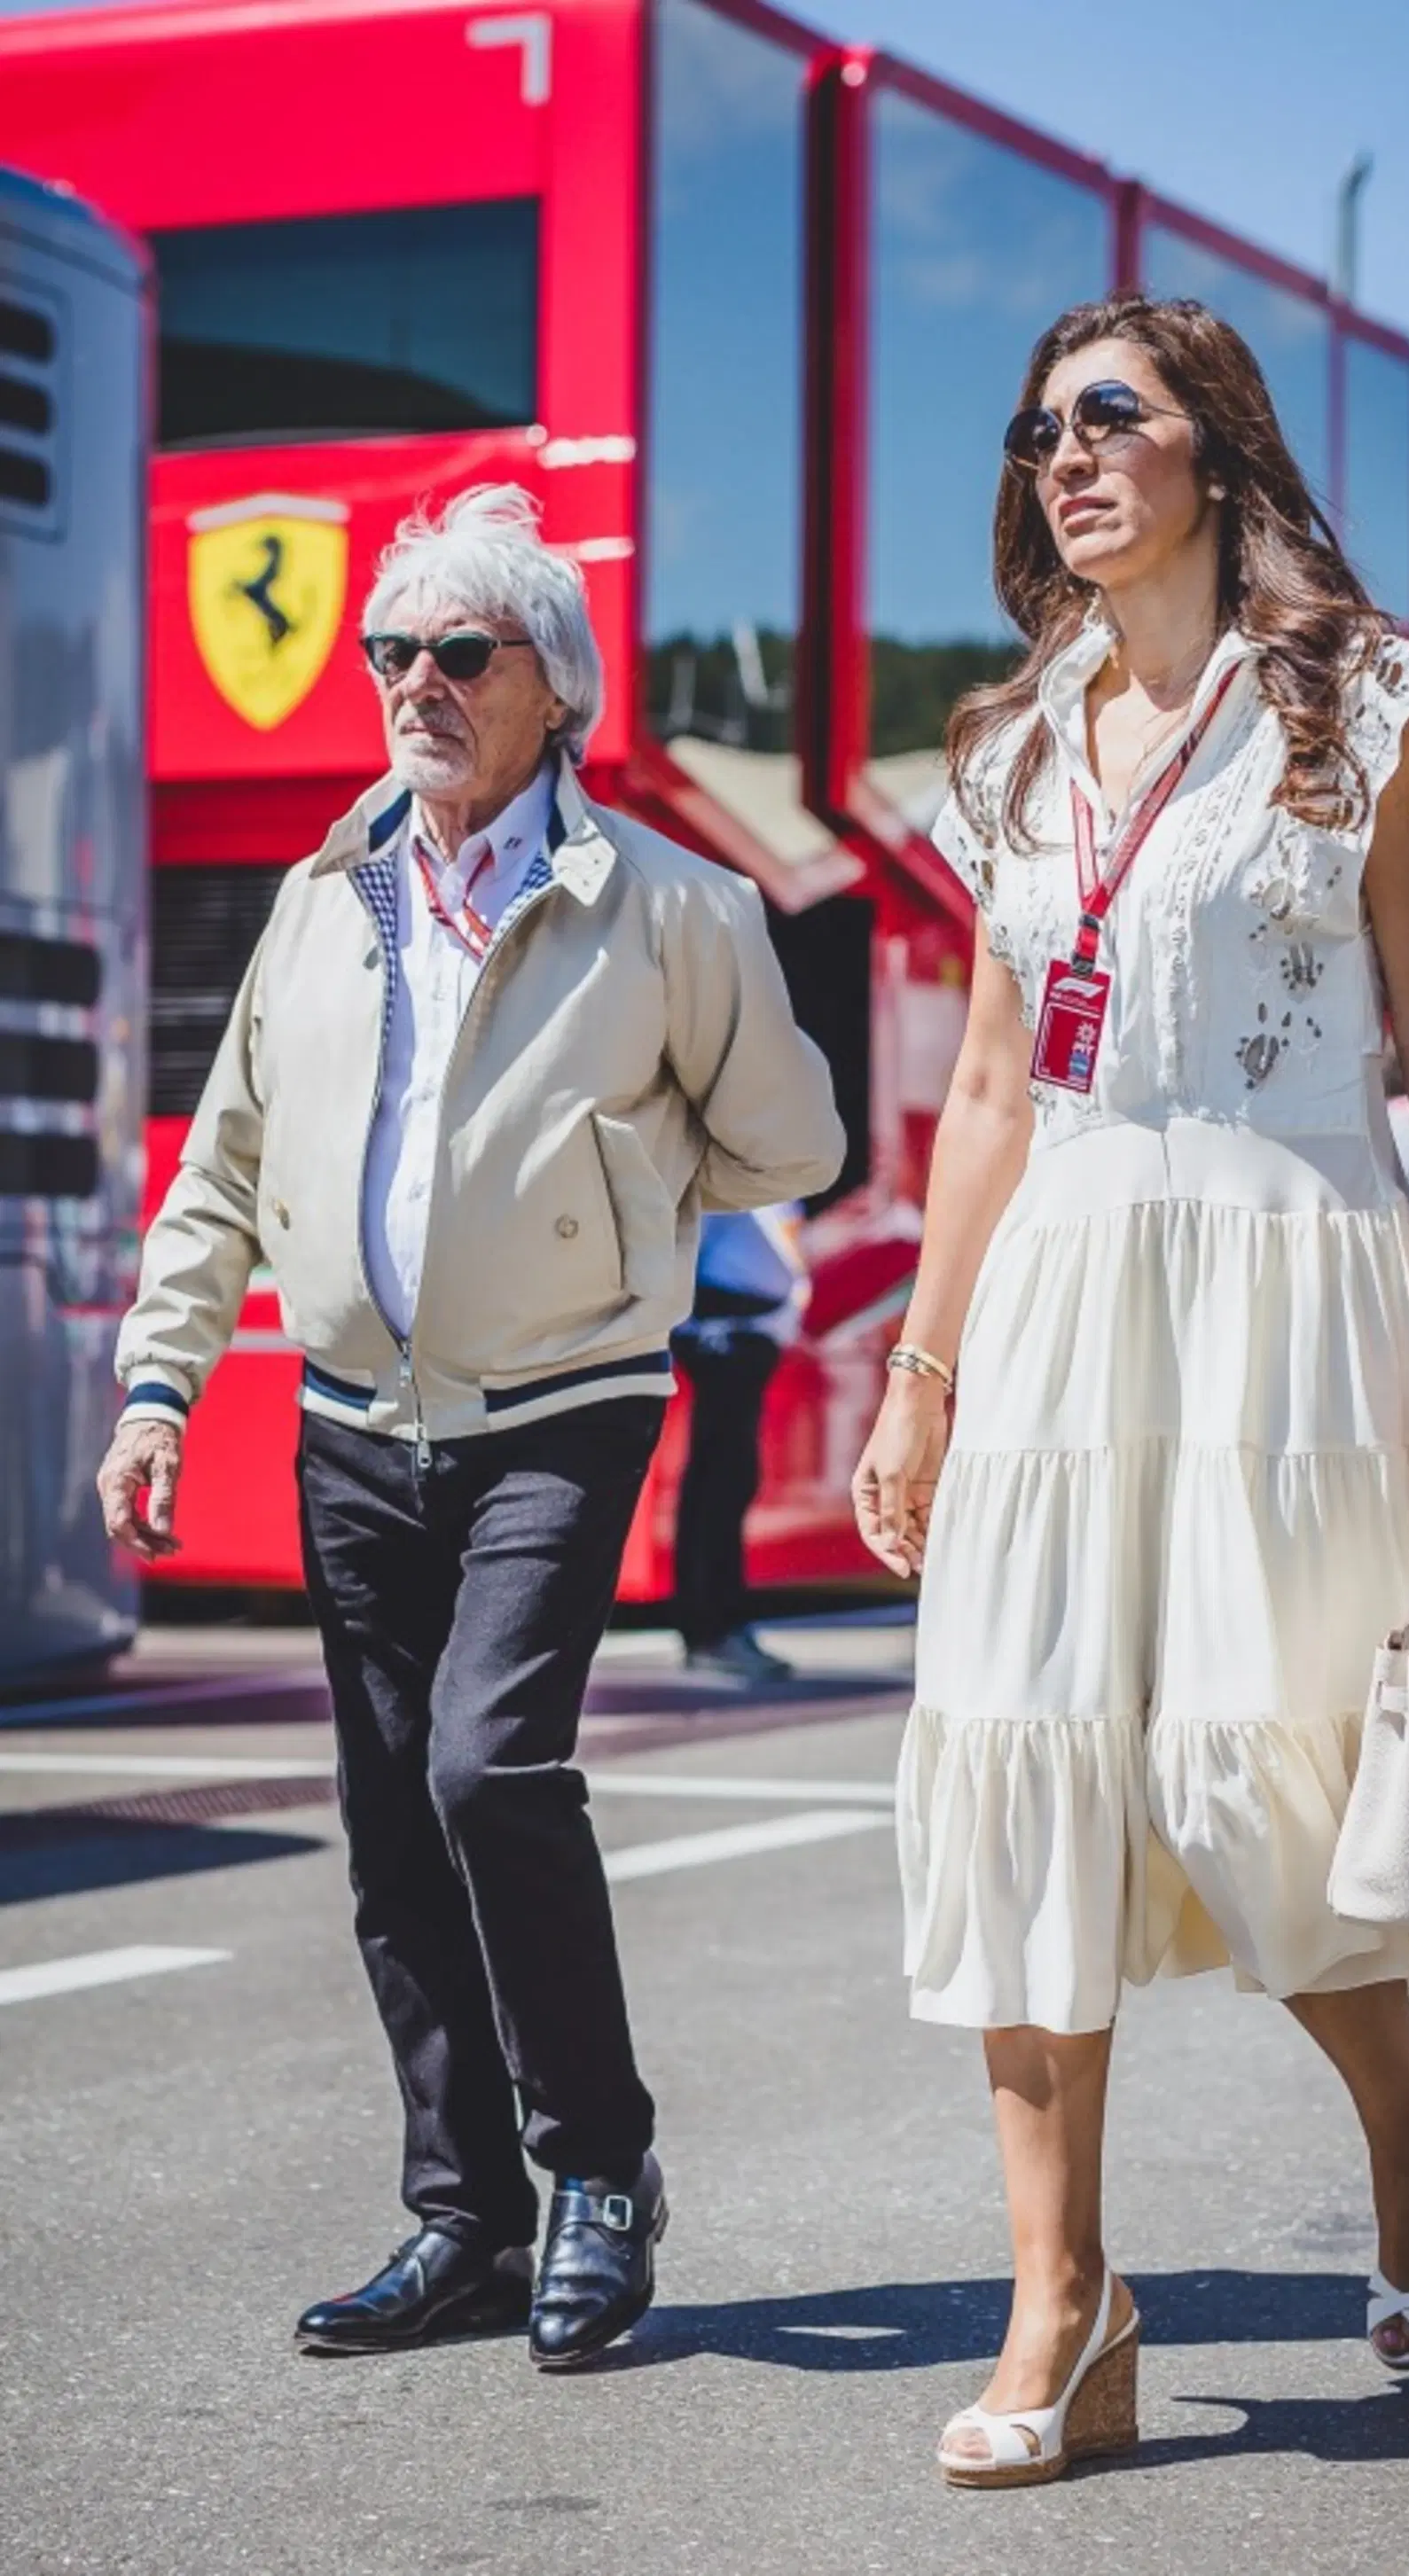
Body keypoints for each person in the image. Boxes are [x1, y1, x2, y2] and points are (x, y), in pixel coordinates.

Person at [850, 295, 1409, 2489]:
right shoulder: (1006, 747)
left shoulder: (1364, 710)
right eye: (1037, 434)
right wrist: (920, 1369)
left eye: (1107, 418)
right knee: (1022, 1765)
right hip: (1063, 1291)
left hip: (1296, 1277)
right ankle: (1063, 2307)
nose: (1065, 460)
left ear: (1215, 443)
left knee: (1246, 1777)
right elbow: (1002, 1090)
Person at [96, 486, 843, 2369]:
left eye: (459, 652)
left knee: (484, 1769)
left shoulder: (674, 908)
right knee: (388, 1827)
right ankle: (468, 2221)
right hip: (357, 1414)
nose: (414, 684)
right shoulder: (317, 902)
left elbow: (795, 1143)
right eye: (391, 653)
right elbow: (226, 1167)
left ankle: (602, 2167)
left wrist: (623, 1177)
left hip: (560, 1403)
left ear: (552, 690)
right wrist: (161, 1380)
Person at [671, 1203, 809, 1682]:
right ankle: (711, 1628)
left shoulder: (772, 1178)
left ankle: (720, 1624)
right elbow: (682, 1248)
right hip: (722, 1338)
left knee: (730, 1484)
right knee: (718, 1487)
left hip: (749, 1338)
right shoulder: (732, 1181)